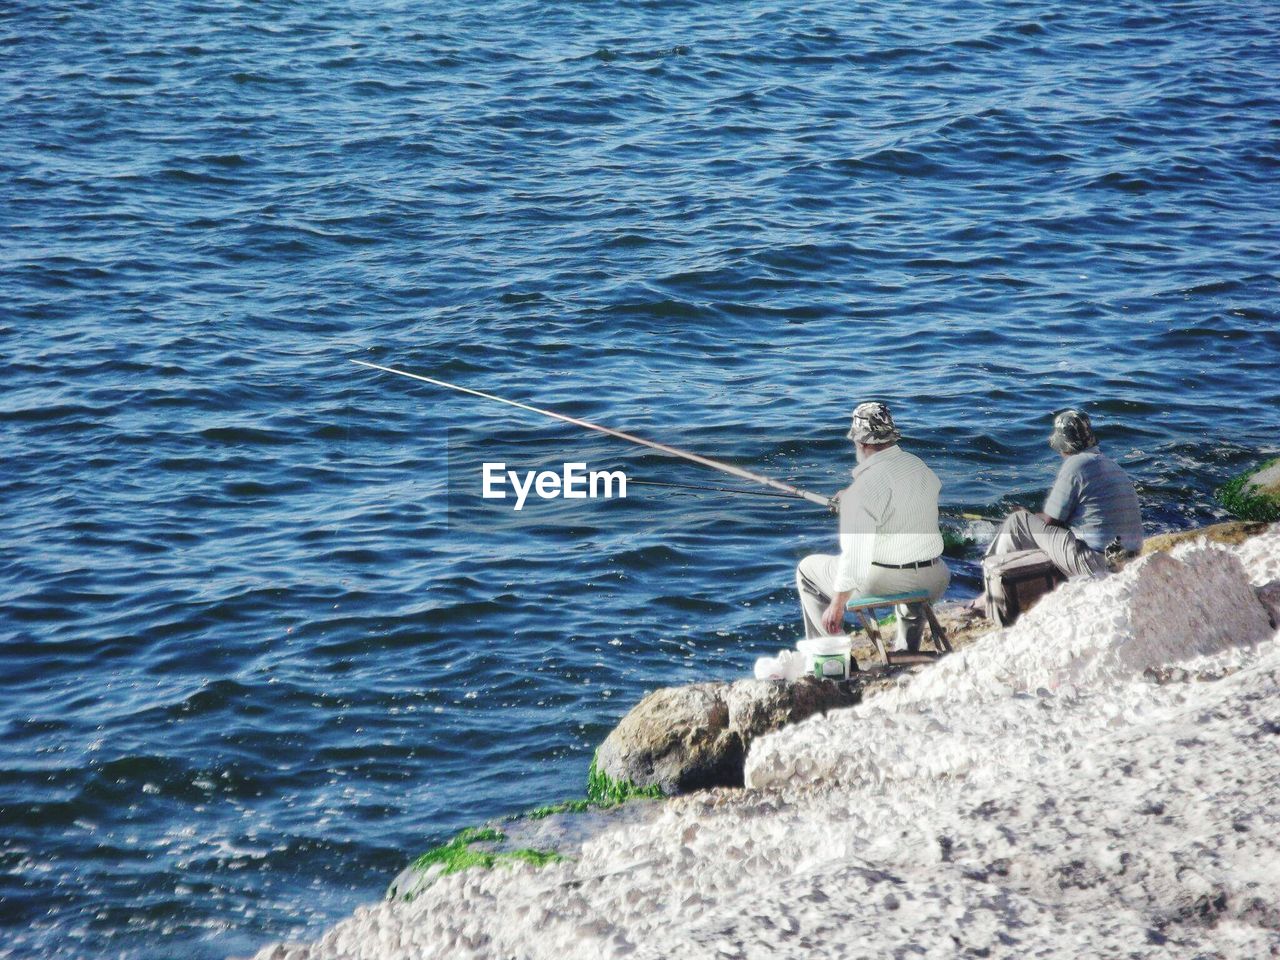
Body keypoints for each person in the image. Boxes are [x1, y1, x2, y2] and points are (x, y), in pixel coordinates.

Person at [795, 401, 950, 651]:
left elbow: (855, 558)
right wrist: (854, 494)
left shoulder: (864, 490)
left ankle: (834, 654)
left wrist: (837, 604)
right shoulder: (919, 467)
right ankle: (907, 650)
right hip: (936, 578)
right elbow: (896, 497)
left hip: (888, 582)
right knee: (909, 556)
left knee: (807, 571)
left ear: (862, 443)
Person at [984, 409, 1143, 581]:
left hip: (1097, 564)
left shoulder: (1076, 465)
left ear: (1064, 445)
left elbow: (1051, 522)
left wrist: (1028, 516)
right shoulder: (1112, 466)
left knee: (1018, 522)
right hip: (1129, 562)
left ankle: (990, 581)